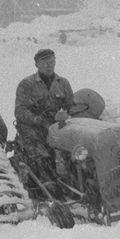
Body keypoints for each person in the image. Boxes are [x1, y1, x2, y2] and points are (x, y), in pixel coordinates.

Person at [13, 48, 76, 189]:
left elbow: (71, 105)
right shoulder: (27, 84)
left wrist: (66, 114)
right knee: (40, 150)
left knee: (75, 145)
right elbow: (20, 111)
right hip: (34, 126)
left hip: (58, 124)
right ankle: (46, 182)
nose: (49, 65)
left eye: (52, 61)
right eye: (45, 62)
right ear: (37, 65)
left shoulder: (63, 83)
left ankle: (75, 177)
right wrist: (37, 119)